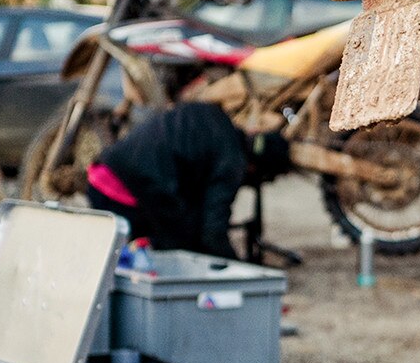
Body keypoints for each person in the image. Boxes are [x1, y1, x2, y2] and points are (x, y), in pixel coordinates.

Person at [86, 102, 294, 260]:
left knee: (179, 226)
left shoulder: (214, 114)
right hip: (121, 194)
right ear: (255, 168)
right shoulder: (232, 162)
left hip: (102, 171)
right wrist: (237, 270)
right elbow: (212, 232)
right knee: (181, 245)